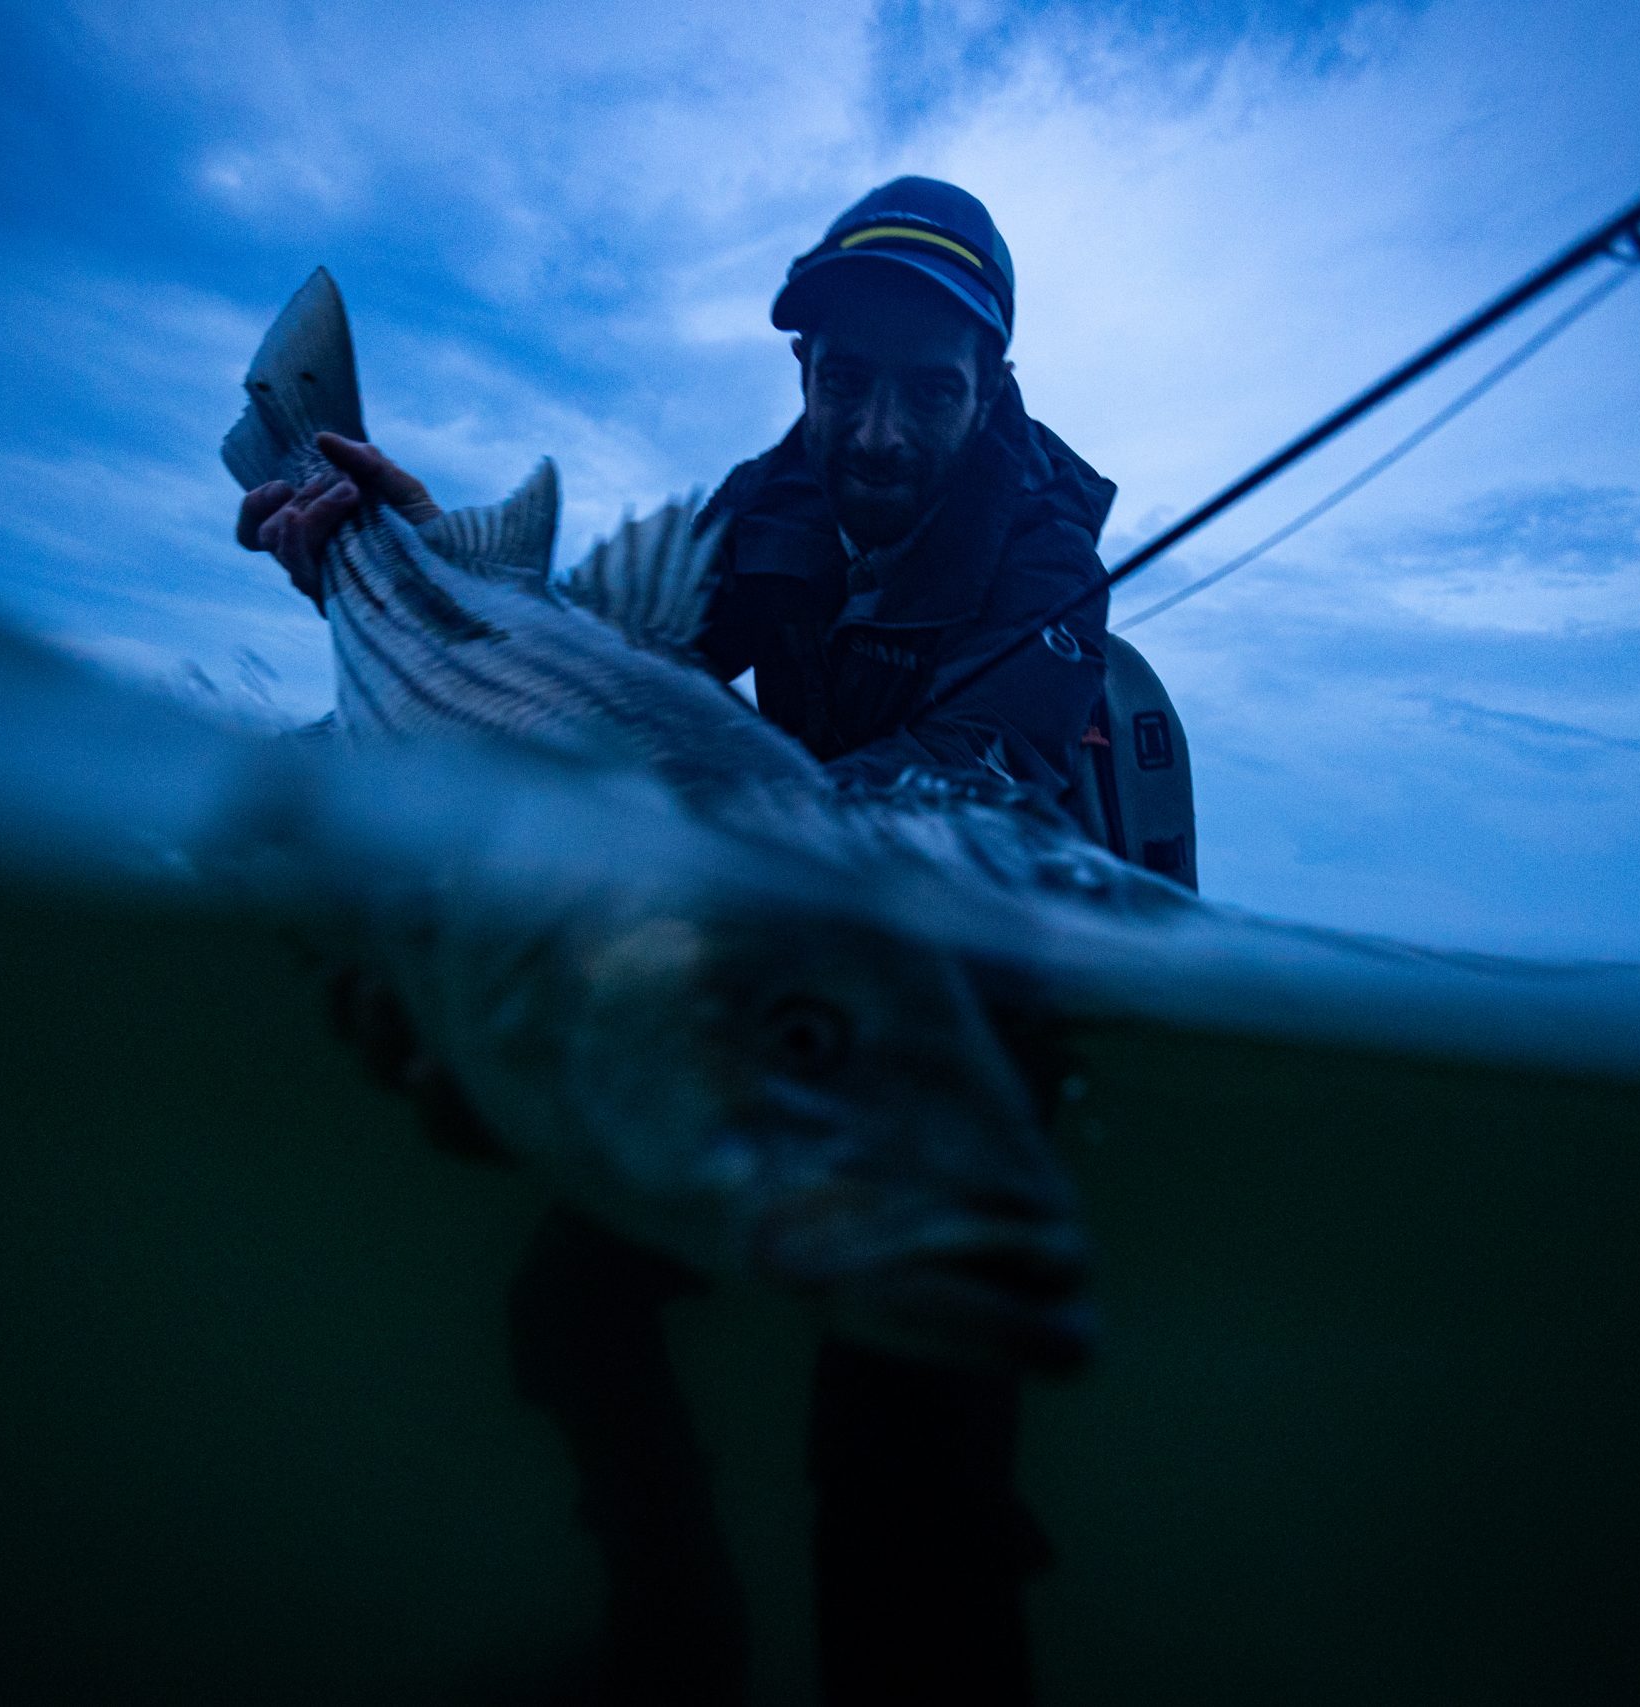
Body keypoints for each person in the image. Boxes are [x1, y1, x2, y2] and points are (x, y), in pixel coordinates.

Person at [239, 177, 1114, 1706]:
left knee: (909, 1440)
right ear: (805, 376)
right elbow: (590, 679)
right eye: (849, 383)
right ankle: (674, 1642)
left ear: (995, 391)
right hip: (755, 959)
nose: (883, 433)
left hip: (959, 982)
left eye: (931, 391)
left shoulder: (1054, 559)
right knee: (570, 1311)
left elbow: (952, 792)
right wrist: (409, 556)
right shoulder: (755, 506)